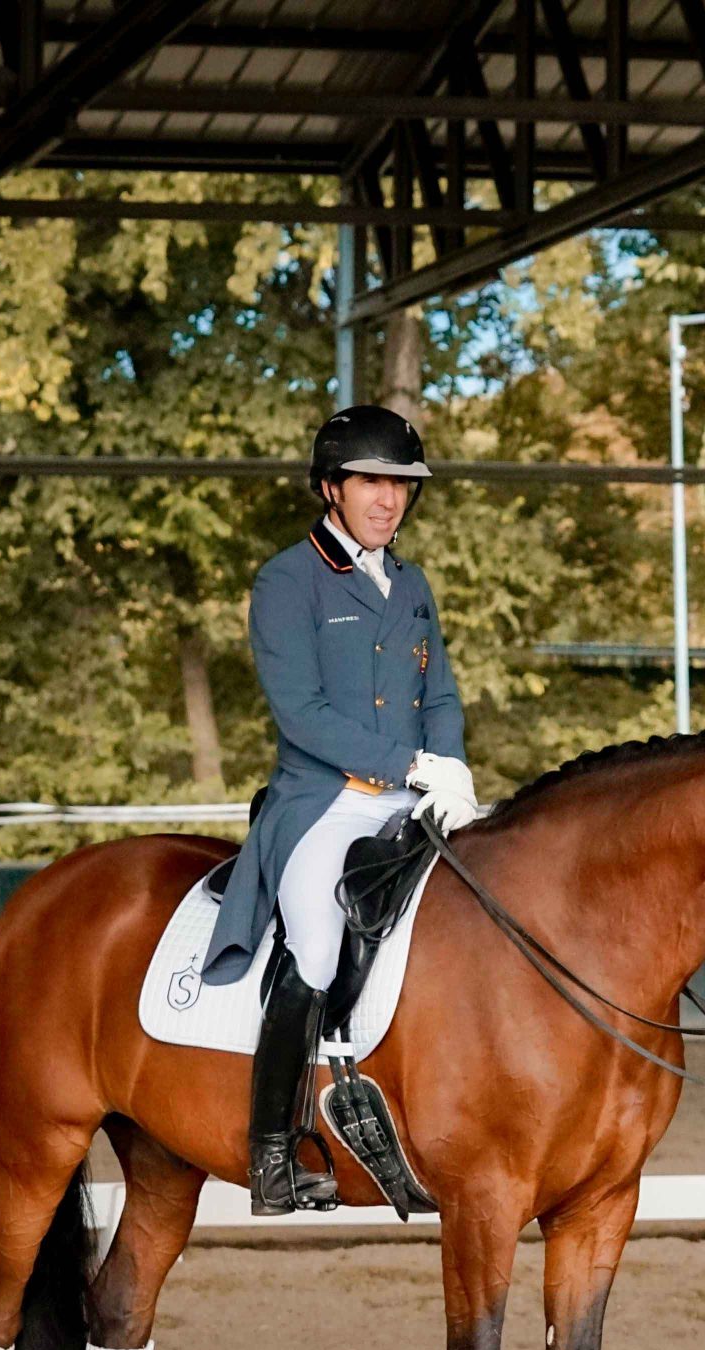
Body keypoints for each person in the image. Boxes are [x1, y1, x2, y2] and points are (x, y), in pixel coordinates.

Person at [200, 405, 482, 1214]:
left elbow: (442, 692)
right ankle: (273, 1154)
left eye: (398, 484)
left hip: (414, 798)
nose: (387, 499)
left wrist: (450, 769)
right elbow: (304, 715)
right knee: (319, 948)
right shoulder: (286, 581)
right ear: (332, 487)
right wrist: (411, 762)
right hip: (324, 803)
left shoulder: (414, 582)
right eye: (370, 481)